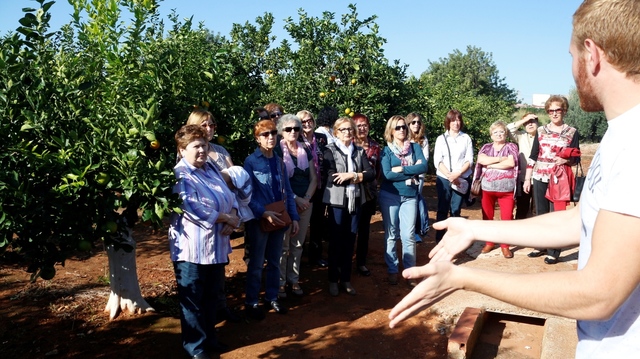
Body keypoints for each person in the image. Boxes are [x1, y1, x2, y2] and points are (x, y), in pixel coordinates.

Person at [389, 1, 640, 357]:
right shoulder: (622, 135)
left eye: (570, 55)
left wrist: (463, 277)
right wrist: (479, 229)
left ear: (592, 54)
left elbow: (599, 294)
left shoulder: (635, 145)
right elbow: (582, 218)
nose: (570, 68)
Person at [169, 125, 240, 358]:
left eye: (204, 145)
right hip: (191, 250)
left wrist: (234, 216)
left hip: (216, 247)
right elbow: (193, 208)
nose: (201, 150)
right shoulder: (181, 174)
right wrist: (225, 217)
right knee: (193, 301)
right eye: (196, 146)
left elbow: (230, 196)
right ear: (182, 150)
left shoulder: (210, 168)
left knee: (211, 298)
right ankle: (195, 347)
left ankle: (210, 339)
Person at [185, 109, 242, 323]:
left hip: (226, 216)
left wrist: (233, 215)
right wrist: (225, 217)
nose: (208, 129)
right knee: (203, 276)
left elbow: (235, 183)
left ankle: (221, 307)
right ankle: (204, 323)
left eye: (212, 125)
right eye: (204, 125)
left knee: (219, 269)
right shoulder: (188, 155)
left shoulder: (221, 151)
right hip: (205, 224)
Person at [243, 120, 300, 320]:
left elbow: (287, 190)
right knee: (257, 263)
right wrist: (263, 213)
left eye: (274, 133)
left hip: (278, 216)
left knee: (275, 261)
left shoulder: (278, 160)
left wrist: (293, 216)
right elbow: (246, 195)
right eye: (265, 134)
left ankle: (272, 297)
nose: (270, 137)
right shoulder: (251, 162)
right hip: (261, 219)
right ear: (257, 138)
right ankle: (251, 302)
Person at [524, 95, 580, 265]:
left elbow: (576, 156)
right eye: (551, 110)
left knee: (556, 215)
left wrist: (566, 160)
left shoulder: (572, 132)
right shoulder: (540, 131)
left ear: (564, 111)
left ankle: (554, 250)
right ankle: (540, 245)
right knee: (541, 214)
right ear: (547, 112)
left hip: (558, 178)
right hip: (540, 175)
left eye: (558, 110)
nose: (555, 113)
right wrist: (527, 178)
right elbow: (533, 155)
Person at [323, 117, 374, 296]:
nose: (347, 132)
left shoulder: (359, 151)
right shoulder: (329, 150)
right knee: (336, 241)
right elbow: (331, 176)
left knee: (350, 240)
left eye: (350, 129)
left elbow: (370, 173)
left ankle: (345, 279)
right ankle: (332, 280)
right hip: (337, 202)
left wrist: (350, 175)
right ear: (336, 132)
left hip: (356, 201)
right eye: (343, 129)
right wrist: (357, 176)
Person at [379, 115, 428, 286]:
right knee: (392, 234)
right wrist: (412, 171)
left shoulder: (414, 147)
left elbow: (424, 167)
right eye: (398, 127)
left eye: (404, 127)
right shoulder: (386, 150)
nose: (402, 130)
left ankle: (409, 272)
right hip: (390, 196)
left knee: (408, 235)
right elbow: (387, 174)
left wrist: (402, 168)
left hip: (410, 195)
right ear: (391, 130)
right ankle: (392, 269)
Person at [274, 114, 317, 297]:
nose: (293, 132)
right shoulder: (277, 150)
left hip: (306, 203)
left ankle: (294, 279)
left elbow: (314, 177)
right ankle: (281, 282)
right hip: (286, 203)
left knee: (298, 244)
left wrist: (306, 198)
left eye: (296, 129)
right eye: (288, 129)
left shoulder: (304, 150)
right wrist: (295, 198)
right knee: (283, 246)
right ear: (281, 131)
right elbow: (278, 181)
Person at [474, 121, 519, 258]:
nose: (499, 134)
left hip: (507, 190)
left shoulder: (511, 146)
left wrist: (492, 165)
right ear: (491, 135)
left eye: (501, 132)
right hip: (487, 189)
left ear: (506, 134)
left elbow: (511, 162)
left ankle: (505, 246)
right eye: (496, 132)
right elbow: (482, 160)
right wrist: (500, 159)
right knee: (487, 216)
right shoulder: (486, 147)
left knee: (507, 218)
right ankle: (490, 242)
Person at [432, 109, 474, 243]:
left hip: (461, 178)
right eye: (453, 120)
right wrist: (450, 175)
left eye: (458, 120)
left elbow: (469, 160)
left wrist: (458, 174)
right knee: (443, 208)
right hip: (444, 178)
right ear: (448, 122)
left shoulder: (466, 138)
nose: (456, 123)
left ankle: (454, 238)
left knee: (456, 210)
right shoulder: (441, 139)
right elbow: (437, 160)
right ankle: (439, 239)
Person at [307, 106, 338, 267]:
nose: (307, 124)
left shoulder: (320, 137)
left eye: (309, 120)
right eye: (303, 122)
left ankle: (315, 253)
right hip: (305, 187)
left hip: (321, 184)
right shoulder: (298, 139)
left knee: (317, 220)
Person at [353, 113, 381, 276]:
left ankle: (361, 262)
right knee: (349, 228)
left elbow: (377, 172)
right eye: (359, 125)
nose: (362, 128)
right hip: (351, 192)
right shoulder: (349, 146)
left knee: (364, 228)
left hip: (369, 193)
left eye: (365, 125)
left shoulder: (375, 146)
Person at [507, 113, 539, 219]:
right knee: (521, 209)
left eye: (532, 121)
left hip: (539, 178)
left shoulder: (543, 136)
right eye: (526, 122)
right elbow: (508, 129)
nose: (529, 124)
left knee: (537, 210)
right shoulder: (521, 136)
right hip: (523, 178)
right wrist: (524, 119)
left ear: (537, 123)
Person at [407, 112, 430, 243]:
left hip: (418, 176)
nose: (416, 124)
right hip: (404, 175)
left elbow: (424, 158)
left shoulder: (423, 139)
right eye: (413, 122)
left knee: (414, 202)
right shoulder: (403, 137)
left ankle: (415, 231)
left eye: (418, 122)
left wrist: (414, 170)